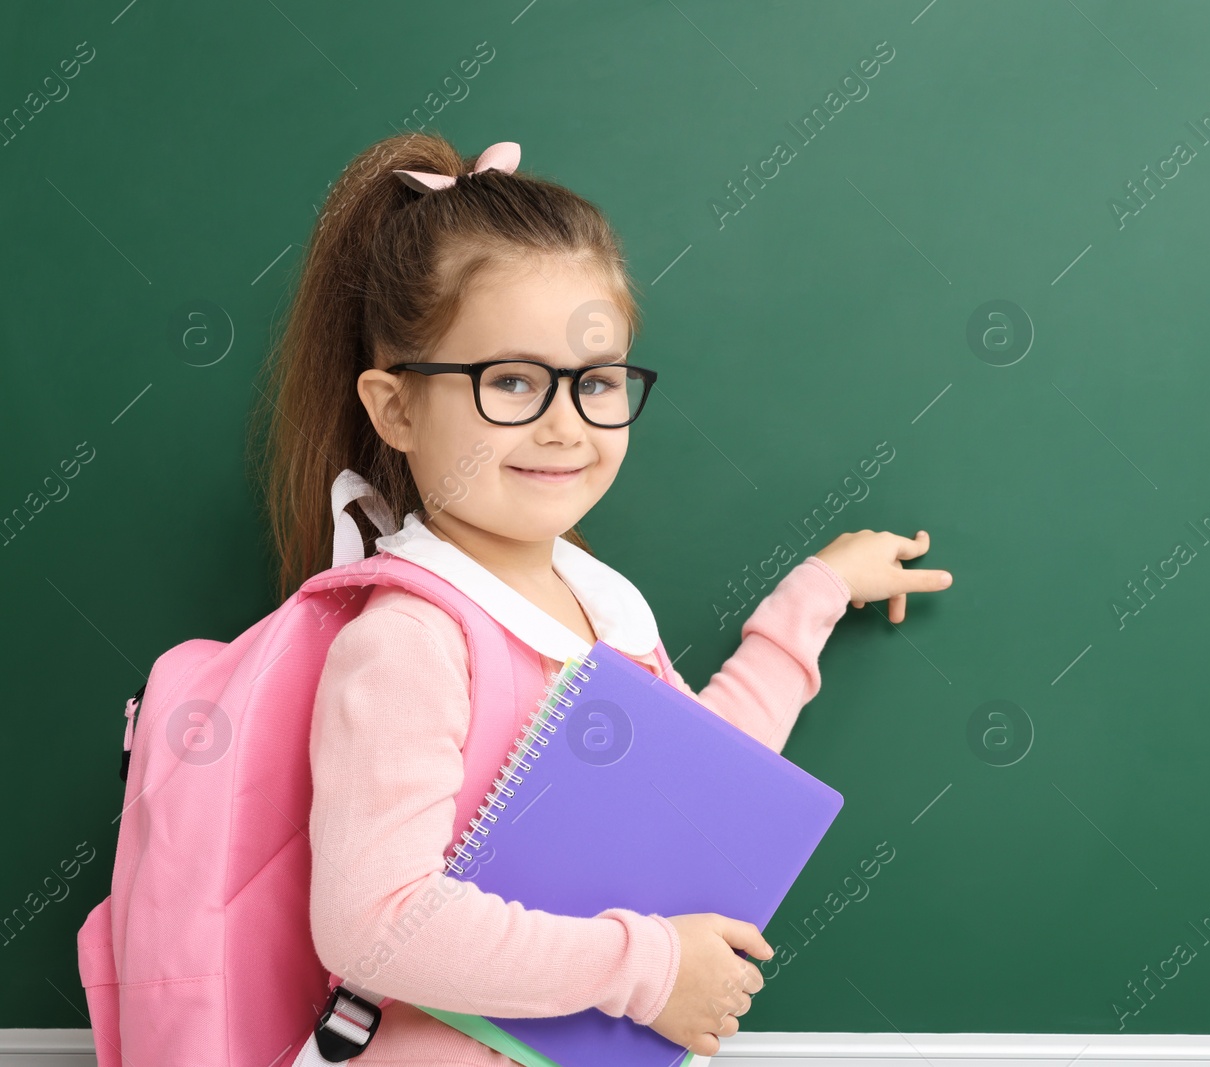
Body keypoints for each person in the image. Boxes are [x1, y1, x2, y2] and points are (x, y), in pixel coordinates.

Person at [252, 131, 954, 1064]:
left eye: (596, 383)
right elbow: (374, 924)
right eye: (509, 380)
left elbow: (700, 787)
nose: (563, 424)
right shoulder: (412, 639)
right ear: (396, 409)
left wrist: (813, 597)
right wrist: (649, 968)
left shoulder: (597, 600)